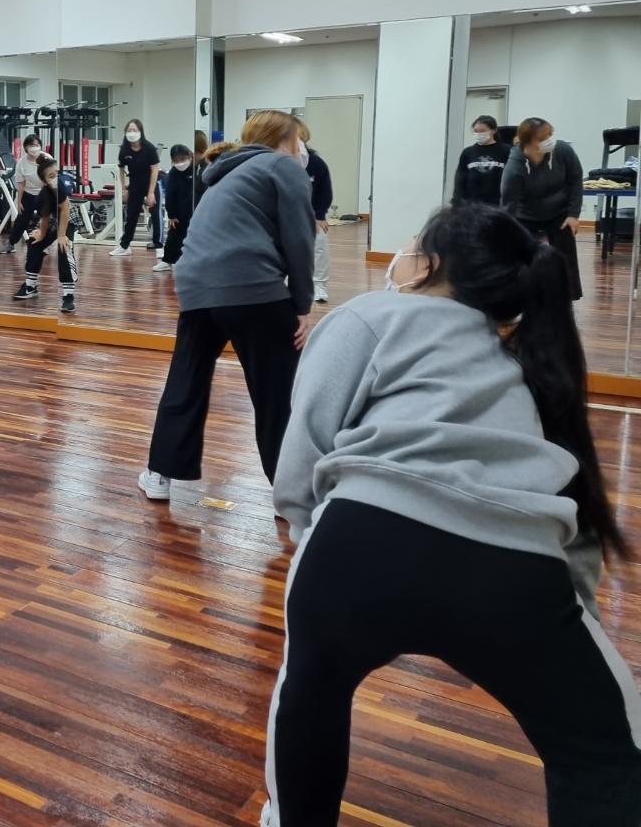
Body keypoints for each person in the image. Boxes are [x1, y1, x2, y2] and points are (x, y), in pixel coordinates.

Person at [264, 202, 641, 827]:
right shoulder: (530, 360)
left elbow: (304, 449)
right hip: (512, 568)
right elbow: (571, 506)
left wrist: (313, 546)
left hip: (361, 538)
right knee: (608, 750)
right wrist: (572, 621)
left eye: (411, 242)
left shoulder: (370, 314)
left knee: (310, 690)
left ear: (427, 265)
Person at [138, 111, 316, 502]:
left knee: (186, 380)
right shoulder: (283, 166)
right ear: (285, 138)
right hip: (252, 287)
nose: (303, 148)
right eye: (300, 139)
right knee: (277, 392)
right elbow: (300, 239)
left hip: (195, 288)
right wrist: (302, 304)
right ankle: (290, 491)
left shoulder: (224, 173)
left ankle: (159, 473)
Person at [501, 116, 584, 301]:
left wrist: (573, 214)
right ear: (528, 142)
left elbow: (575, 180)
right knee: (522, 255)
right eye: (542, 138)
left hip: (559, 212)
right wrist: (507, 232)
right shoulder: (514, 168)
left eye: (550, 135)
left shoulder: (563, 150)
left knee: (565, 256)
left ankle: (567, 296)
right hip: (526, 215)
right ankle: (522, 294)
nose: (549, 141)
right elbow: (509, 203)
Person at [11, 154, 79, 313]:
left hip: (67, 217)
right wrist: (41, 236)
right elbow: (45, 217)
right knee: (34, 243)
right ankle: (30, 286)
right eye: (51, 176)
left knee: (64, 248)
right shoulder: (42, 196)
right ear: (44, 180)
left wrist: (61, 236)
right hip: (53, 218)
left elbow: (65, 209)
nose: (55, 178)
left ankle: (68, 295)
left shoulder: (60, 187)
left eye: (56, 174)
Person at [111, 119, 160, 256]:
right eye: (129, 130)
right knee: (131, 215)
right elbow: (121, 169)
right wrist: (124, 190)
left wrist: (151, 193)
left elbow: (155, 170)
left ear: (140, 132)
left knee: (155, 214)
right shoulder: (124, 150)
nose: (131, 133)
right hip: (135, 184)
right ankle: (124, 246)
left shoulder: (149, 148)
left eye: (134, 130)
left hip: (150, 183)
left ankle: (159, 245)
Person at [154, 144, 200, 273]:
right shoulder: (174, 173)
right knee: (174, 236)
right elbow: (170, 194)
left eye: (182, 159)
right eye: (176, 160)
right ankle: (167, 261)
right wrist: (172, 215)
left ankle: (195, 262)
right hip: (180, 211)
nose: (180, 163)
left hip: (198, 209)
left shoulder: (198, 169)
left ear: (190, 156)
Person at [0, 134, 44, 255]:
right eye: (32, 145)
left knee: (45, 219)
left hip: (44, 192)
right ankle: (11, 244)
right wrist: (19, 202)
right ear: (26, 147)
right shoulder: (21, 163)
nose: (35, 148)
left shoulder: (46, 158)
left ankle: (43, 244)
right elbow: (21, 184)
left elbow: (52, 179)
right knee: (21, 220)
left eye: (37, 145)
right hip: (29, 193)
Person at [452, 114, 508, 206]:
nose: (479, 134)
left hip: (498, 203)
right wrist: (457, 201)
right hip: (472, 204)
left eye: (482, 131)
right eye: (476, 131)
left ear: (494, 130)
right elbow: (460, 179)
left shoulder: (507, 150)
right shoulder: (468, 152)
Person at [305, 144, 334, 304]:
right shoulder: (282, 161)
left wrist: (320, 215)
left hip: (315, 213)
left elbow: (325, 190)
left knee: (319, 245)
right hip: (289, 212)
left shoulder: (316, 162)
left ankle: (319, 285)